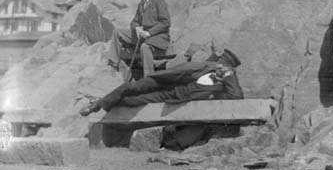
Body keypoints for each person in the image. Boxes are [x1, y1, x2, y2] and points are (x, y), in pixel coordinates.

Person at [80, 48, 244, 116]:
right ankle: (97, 105)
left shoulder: (222, 87)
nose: (218, 66)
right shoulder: (208, 67)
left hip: (170, 96)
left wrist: (229, 76)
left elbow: (236, 96)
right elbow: (185, 69)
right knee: (132, 87)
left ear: (230, 70)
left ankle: (103, 102)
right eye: (219, 63)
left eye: (223, 66)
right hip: (166, 80)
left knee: (134, 101)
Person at [107, 0, 171, 77]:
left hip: (158, 36)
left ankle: (148, 77)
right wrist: (137, 28)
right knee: (117, 31)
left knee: (144, 47)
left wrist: (149, 32)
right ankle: (113, 64)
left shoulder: (158, 1)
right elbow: (134, 22)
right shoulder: (141, 4)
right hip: (143, 35)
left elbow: (166, 22)